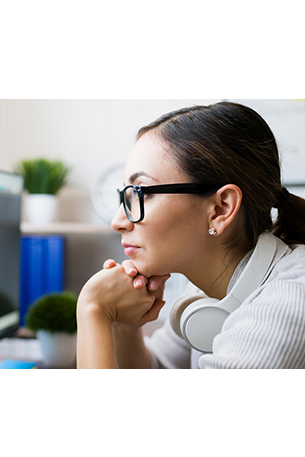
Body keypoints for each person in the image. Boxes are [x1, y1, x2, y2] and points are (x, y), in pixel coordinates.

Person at [76, 101, 305, 369]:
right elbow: (160, 366)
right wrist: (125, 327)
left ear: (221, 209)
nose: (118, 222)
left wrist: (93, 310)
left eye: (142, 193)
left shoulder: (284, 308)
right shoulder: (208, 280)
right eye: (125, 196)